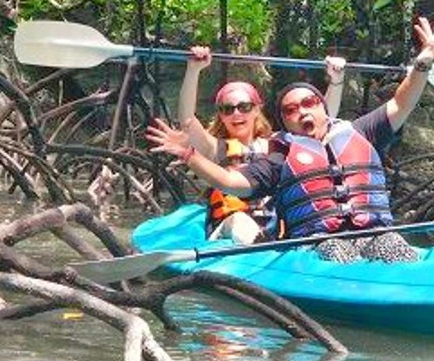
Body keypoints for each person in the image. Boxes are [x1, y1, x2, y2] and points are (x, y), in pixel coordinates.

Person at [146, 16, 434, 263]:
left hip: (373, 232)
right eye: (290, 109)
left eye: (310, 102)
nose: (302, 111)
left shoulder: (357, 132)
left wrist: (422, 63)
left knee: (392, 245)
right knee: (336, 251)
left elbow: (401, 103)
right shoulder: (279, 157)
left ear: (323, 107)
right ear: (284, 122)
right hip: (320, 242)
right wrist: (189, 155)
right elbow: (230, 182)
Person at [146, 47, 346, 245]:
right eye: (228, 109)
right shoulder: (215, 149)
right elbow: (187, 120)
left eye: (244, 107)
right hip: (229, 230)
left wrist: (336, 81)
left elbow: (323, 120)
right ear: (221, 116)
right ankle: (261, 246)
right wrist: (193, 70)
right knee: (239, 221)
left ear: (256, 109)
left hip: (273, 229)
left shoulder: (278, 146)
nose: (236, 114)